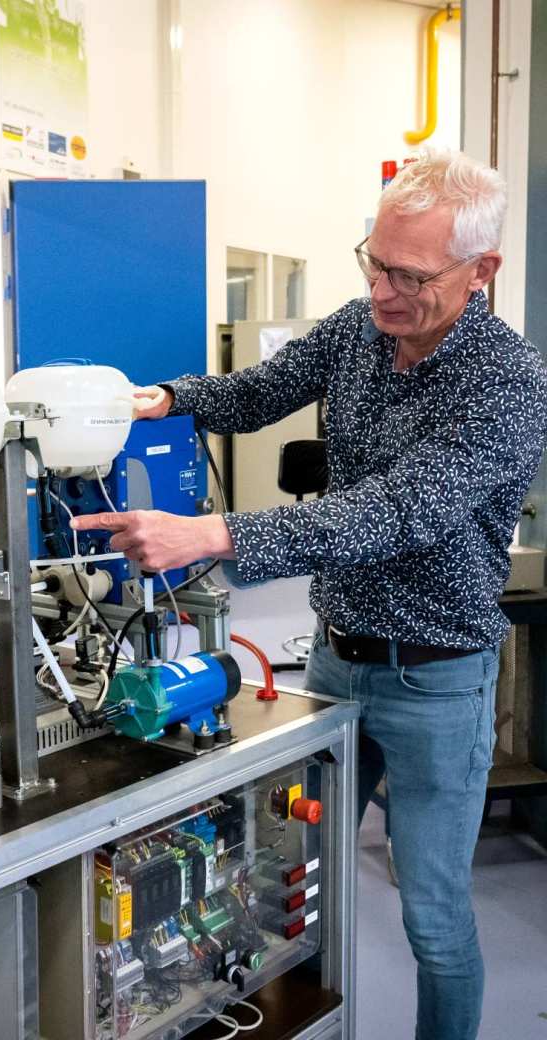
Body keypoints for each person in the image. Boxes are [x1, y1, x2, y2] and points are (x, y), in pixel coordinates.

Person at [74, 150, 547, 1040]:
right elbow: (259, 392)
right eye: (374, 262)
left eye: (410, 276)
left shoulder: (509, 385)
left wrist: (217, 534)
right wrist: (162, 399)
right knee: (289, 880)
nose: (384, 293)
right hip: (335, 665)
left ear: (480, 272)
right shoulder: (362, 327)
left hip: (435, 682)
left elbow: (395, 511)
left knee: (434, 921)